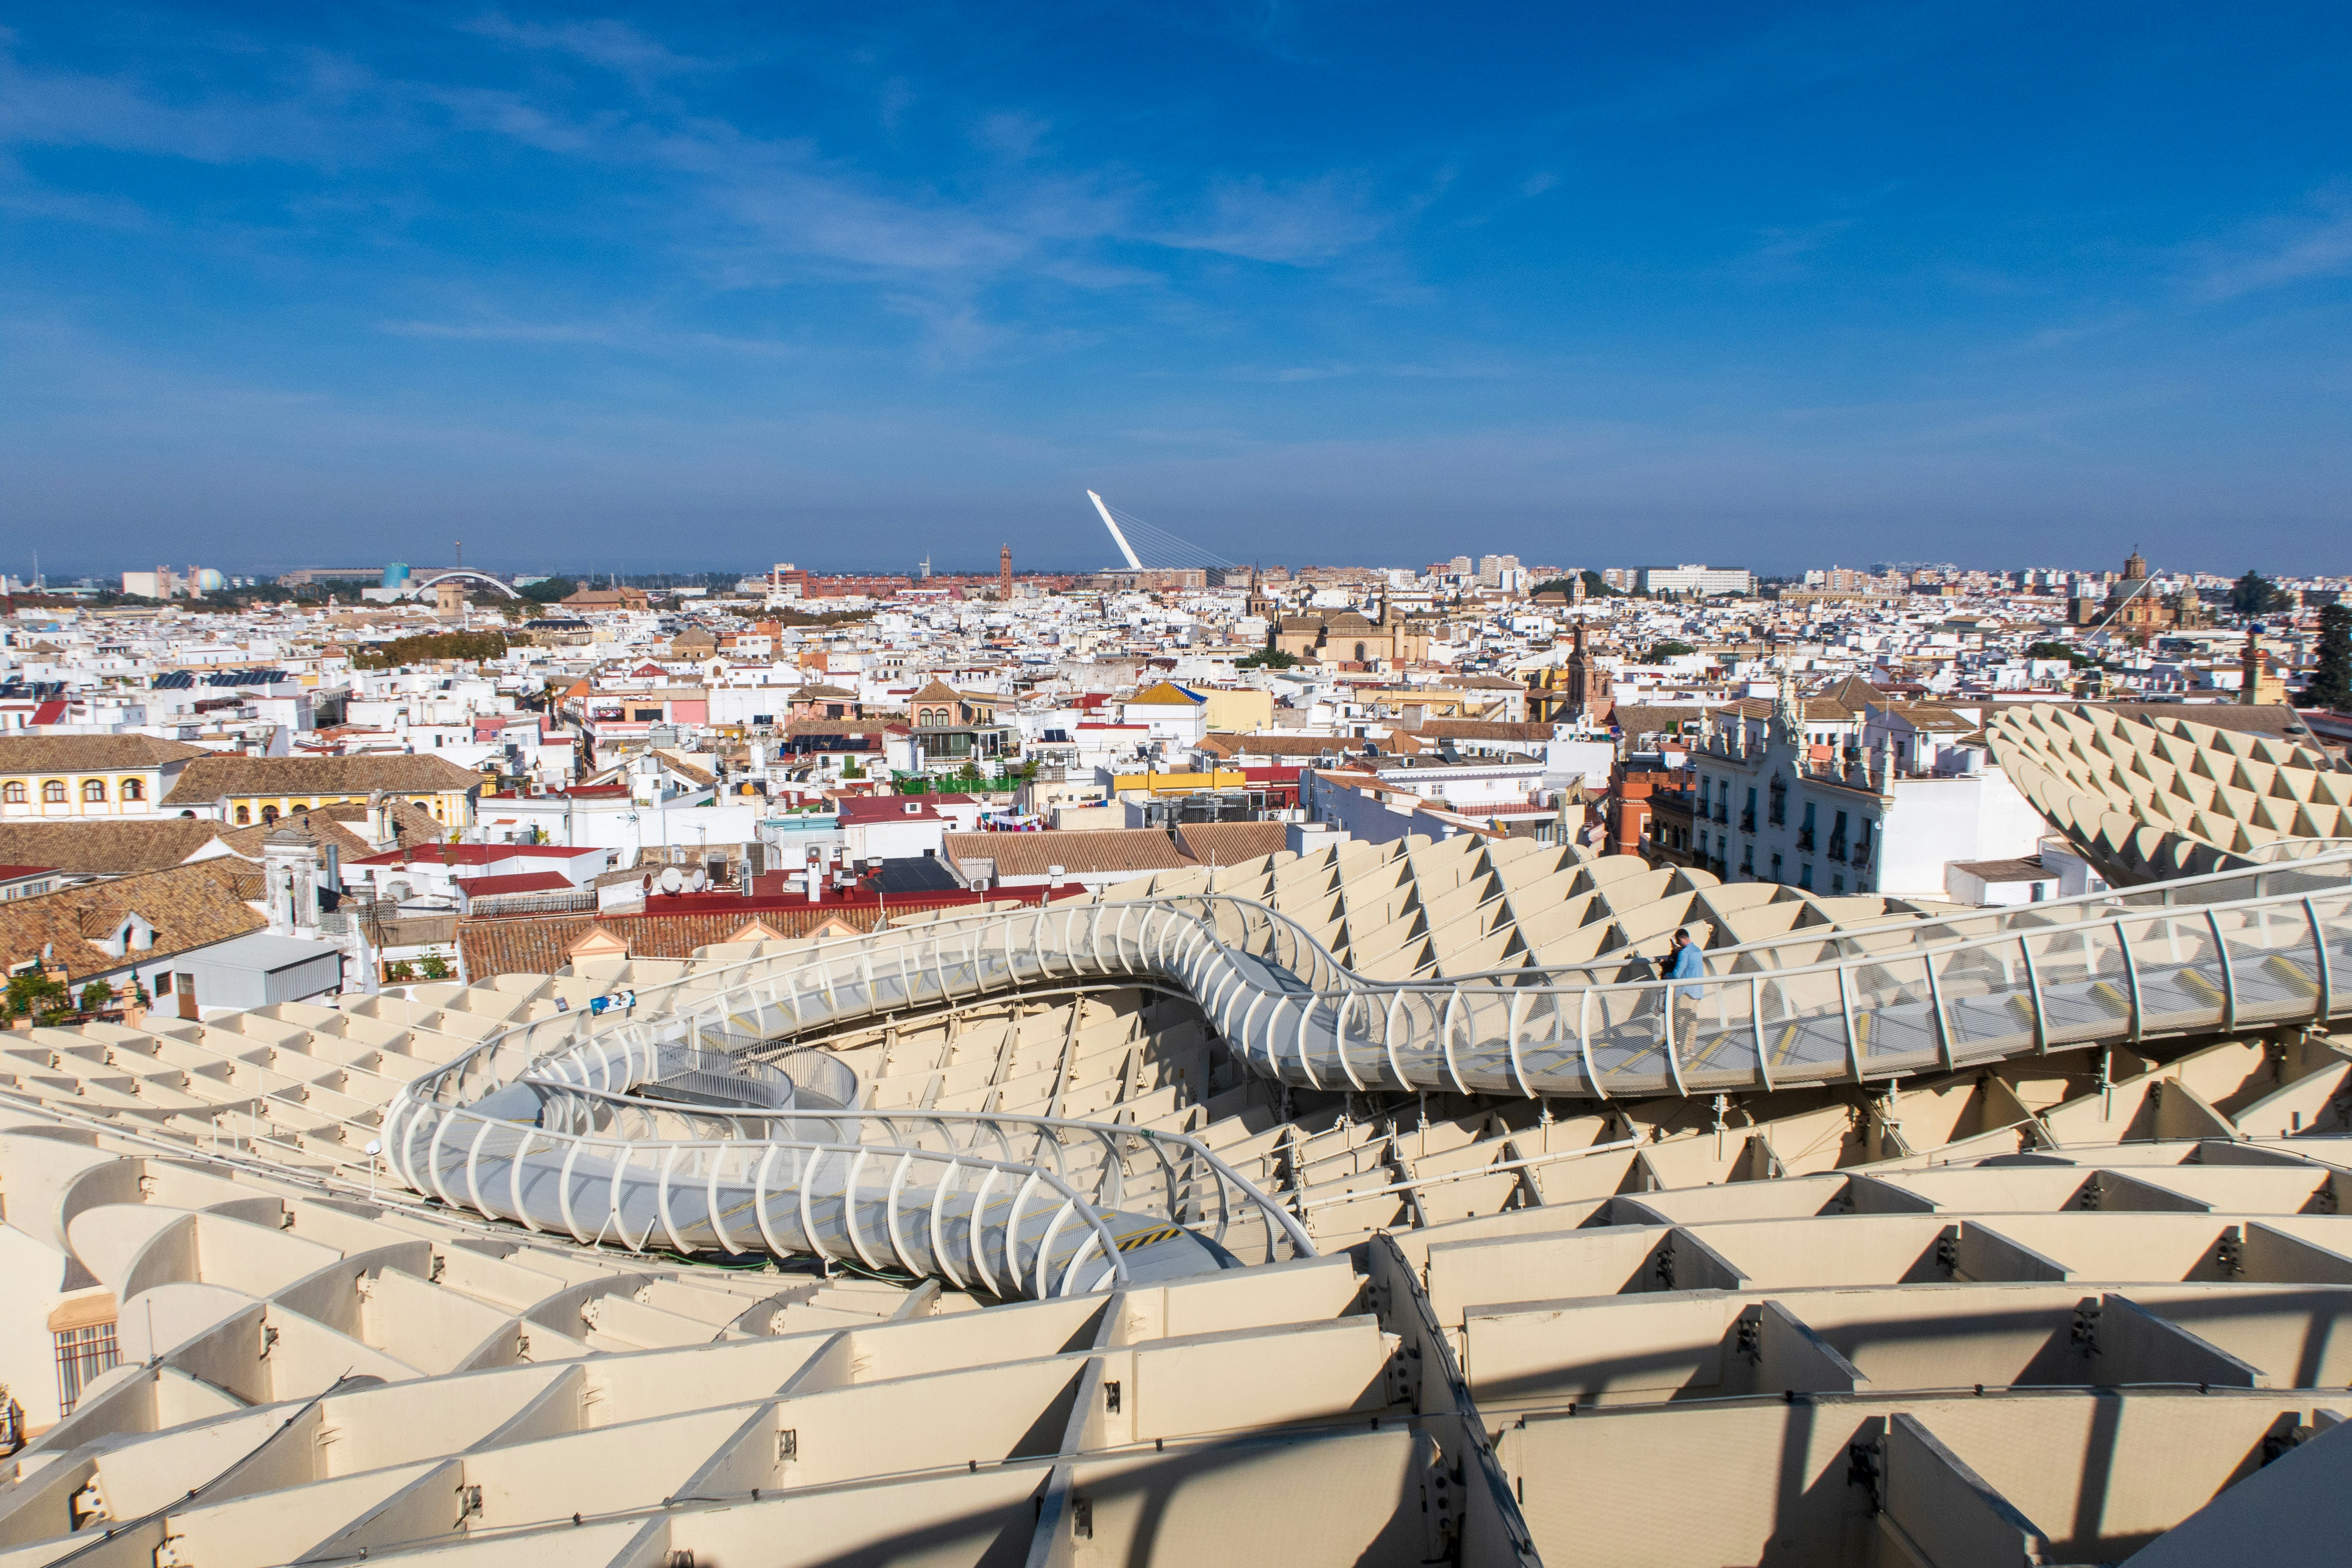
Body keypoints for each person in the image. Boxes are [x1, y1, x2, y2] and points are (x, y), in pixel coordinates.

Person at [1664, 926, 1706, 1053]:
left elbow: (1677, 974)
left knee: (1682, 1021)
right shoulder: (1698, 950)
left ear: (1681, 940)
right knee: (1692, 1021)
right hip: (1698, 991)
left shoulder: (1685, 953)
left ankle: (1682, 1050)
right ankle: (1689, 1049)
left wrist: (1668, 975)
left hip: (1685, 992)